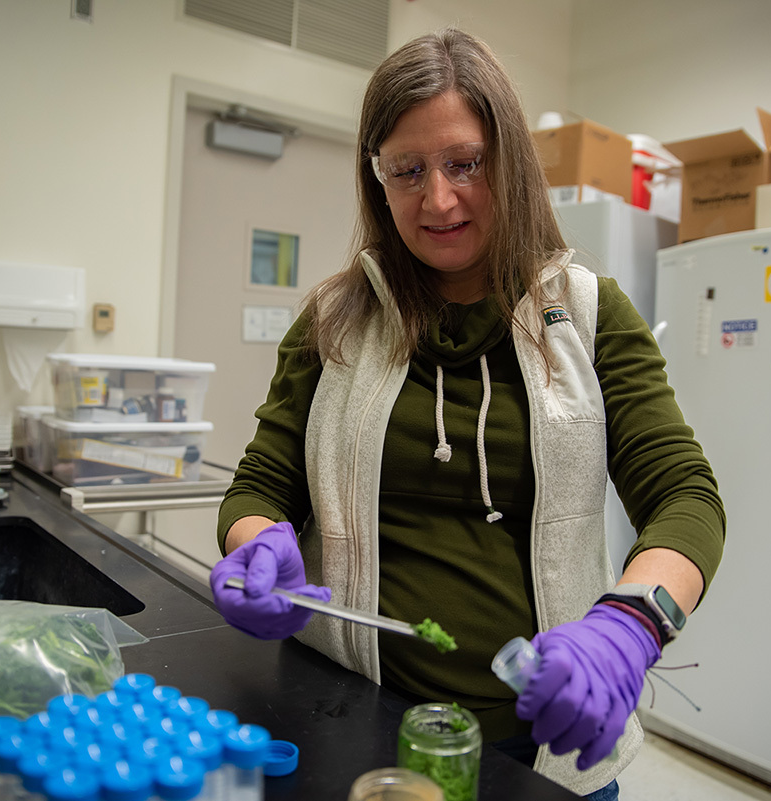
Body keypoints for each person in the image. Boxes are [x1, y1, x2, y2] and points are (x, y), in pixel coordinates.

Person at [209, 27, 724, 799]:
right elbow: (258, 484)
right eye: (407, 170)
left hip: (543, 749)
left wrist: (631, 623)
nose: (438, 198)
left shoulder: (588, 315)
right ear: (375, 177)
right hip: (352, 724)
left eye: (465, 163)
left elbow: (687, 497)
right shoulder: (334, 321)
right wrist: (255, 547)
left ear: (508, 161)